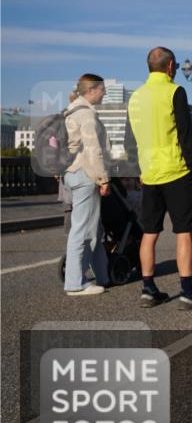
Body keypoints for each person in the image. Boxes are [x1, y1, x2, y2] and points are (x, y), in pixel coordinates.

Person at [125, 47, 192, 309]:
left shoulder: (136, 97)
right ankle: (187, 291)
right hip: (176, 171)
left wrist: (139, 170)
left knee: (149, 233)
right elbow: (186, 136)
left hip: (150, 174)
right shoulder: (174, 91)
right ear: (170, 66)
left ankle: (148, 288)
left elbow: (128, 141)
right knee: (184, 233)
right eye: (175, 67)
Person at [62, 74, 112, 296]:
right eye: (102, 90)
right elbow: (94, 150)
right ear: (91, 90)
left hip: (72, 173)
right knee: (82, 230)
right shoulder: (86, 115)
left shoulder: (71, 111)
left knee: (94, 229)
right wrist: (104, 178)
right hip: (86, 174)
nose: (104, 94)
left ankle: (103, 276)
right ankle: (75, 283)